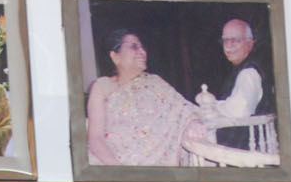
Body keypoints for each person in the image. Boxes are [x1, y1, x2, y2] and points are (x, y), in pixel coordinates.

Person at [85, 29, 207, 167]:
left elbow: (183, 109)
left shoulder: (155, 83)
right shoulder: (102, 86)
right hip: (111, 163)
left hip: (153, 167)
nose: (142, 51)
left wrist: (193, 122)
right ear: (115, 57)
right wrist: (120, 171)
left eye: (142, 47)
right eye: (134, 46)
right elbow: (96, 139)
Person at [194, 19, 272, 150]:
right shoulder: (240, 69)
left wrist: (212, 105)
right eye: (225, 40)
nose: (228, 45)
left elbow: (239, 109)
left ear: (249, 43)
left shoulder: (249, 73)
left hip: (248, 152)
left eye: (235, 40)